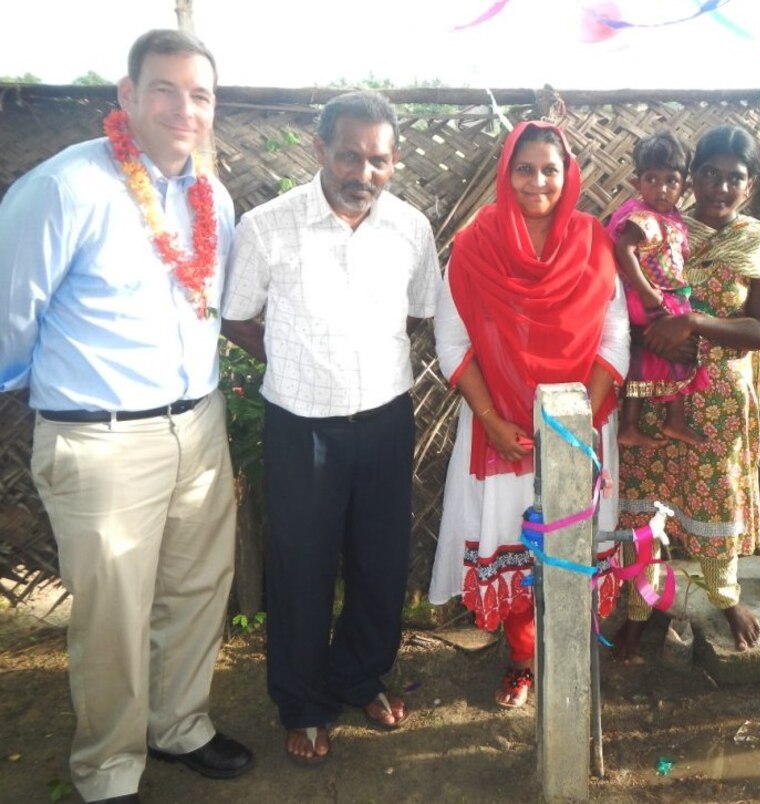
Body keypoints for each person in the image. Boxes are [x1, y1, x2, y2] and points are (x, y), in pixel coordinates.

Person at [0, 29, 253, 803]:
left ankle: (179, 725)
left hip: (198, 423)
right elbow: (10, 316)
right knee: (110, 615)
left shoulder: (215, 198)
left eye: (200, 94)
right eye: (166, 89)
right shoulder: (65, 187)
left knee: (198, 586)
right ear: (128, 95)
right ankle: (108, 771)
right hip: (102, 437)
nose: (185, 107)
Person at [221, 90, 439, 764]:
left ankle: (360, 676)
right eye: (349, 155)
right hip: (300, 425)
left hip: (384, 419)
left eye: (378, 160)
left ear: (394, 160)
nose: (363, 172)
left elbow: (419, 311)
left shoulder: (410, 229)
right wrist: (296, 357)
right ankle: (304, 702)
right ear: (320, 151)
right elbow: (235, 316)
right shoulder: (266, 226)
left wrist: (361, 359)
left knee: (378, 564)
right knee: (301, 570)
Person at [427, 120, 629, 708]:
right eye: (524, 168)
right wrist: (492, 419)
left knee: (573, 544)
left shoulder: (594, 241)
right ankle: (521, 659)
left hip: (582, 427)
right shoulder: (474, 244)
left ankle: (569, 656)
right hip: (501, 433)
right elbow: (451, 338)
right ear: (505, 173)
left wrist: (575, 422)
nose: (536, 181)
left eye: (549, 169)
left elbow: (614, 334)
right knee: (515, 538)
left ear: (568, 177)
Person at [612, 124, 760, 659]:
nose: (719, 188)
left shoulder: (757, 240)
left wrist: (690, 322)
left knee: (716, 499)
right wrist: (659, 336)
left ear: (750, 184)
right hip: (655, 388)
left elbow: (759, 332)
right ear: (691, 178)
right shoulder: (665, 227)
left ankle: (724, 595)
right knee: (641, 506)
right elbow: (625, 292)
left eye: (733, 179)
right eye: (710, 174)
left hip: (717, 400)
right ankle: (637, 608)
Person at [607, 131, 709, 448]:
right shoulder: (642, 216)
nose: (661, 189)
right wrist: (649, 293)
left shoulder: (668, 217)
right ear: (638, 182)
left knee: (647, 359)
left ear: (684, 187)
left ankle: (633, 425)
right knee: (679, 347)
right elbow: (624, 251)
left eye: (670, 181)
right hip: (650, 296)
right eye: (652, 179)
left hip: (658, 294)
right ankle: (673, 419)